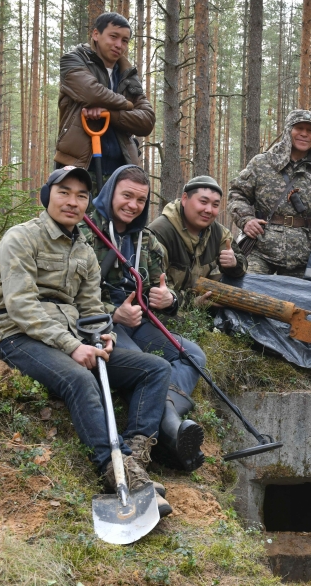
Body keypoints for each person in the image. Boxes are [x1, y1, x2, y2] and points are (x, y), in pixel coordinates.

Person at [0, 166, 173, 516]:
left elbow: (90, 307)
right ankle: (112, 467)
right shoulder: (21, 238)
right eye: (64, 192)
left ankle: (133, 460)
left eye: (82, 196)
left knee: (155, 369)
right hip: (22, 337)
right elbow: (21, 307)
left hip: (73, 336)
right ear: (47, 195)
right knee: (79, 379)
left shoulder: (85, 252)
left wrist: (104, 335)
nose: (73, 202)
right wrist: (72, 346)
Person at [82, 165, 211, 472]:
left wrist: (168, 299)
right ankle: (166, 434)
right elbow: (73, 292)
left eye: (140, 200)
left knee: (192, 355)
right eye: (126, 196)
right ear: (110, 192)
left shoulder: (147, 240)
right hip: (100, 319)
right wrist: (113, 313)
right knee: (144, 364)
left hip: (139, 320)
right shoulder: (86, 232)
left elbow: (163, 287)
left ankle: (168, 419)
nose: (132, 205)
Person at [228, 109, 311, 276]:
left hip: (304, 256)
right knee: (248, 291)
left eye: (310, 130)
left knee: (303, 299)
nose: (304, 134)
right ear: (288, 131)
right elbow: (237, 194)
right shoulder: (262, 163)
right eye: (299, 128)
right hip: (261, 249)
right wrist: (246, 220)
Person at [55, 12, 154, 183]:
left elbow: (146, 121)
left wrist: (109, 114)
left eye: (124, 40)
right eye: (113, 37)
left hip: (121, 170)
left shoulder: (128, 75)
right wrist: (128, 105)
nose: (119, 45)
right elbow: (91, 93)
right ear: (96, 34)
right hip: (77, 167)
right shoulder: (73, 60)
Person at [146, 175, 247, 306]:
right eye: (203, 202)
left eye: (215, 205)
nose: (209, 210)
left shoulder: (219, 233)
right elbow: (154, 291)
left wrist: (234, 263)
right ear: (184, 199)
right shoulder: (160, 233)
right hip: (170, 310)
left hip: (205, 306)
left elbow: (243, 265)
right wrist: (193, 303)